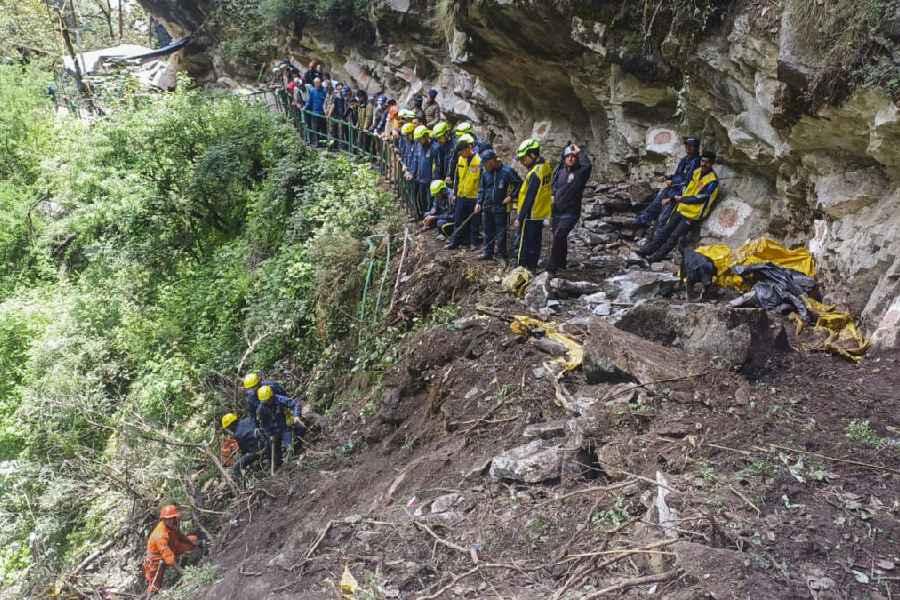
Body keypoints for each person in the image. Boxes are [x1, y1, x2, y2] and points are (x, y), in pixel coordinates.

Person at [637, 151, 720, 262]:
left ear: (712, 163)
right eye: (702, 161)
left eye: (707, 162)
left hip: (692, 215)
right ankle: (646, 250)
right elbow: (685, 186)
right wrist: (672, 196)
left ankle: (655, 258)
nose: (703, 164)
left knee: (674, 237)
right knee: (665, 230)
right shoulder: (696, 172)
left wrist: (681, 199)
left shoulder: (712, 181)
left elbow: (700, 198)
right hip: (681, 208)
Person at [635, 137, 701, 228]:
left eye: (691, 146)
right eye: (687, 145)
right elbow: (678, 174)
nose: (688, 148)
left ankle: (655, 229)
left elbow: (689, 180)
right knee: (657, 201)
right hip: (673, 187)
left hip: (681, 191)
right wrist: (666, 177)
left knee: (665, 213)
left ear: (696, 147)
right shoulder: (685, 159)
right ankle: (642, 220)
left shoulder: (697, 162)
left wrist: (673, 182)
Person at [549, 143, 592, 273]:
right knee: (559, 238)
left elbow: (588, 165)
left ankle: (552, 266)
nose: (571, 158)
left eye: (573, 157)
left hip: (571, 212)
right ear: (564, 158)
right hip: (556, 211)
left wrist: (580, 152)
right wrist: (552, 196)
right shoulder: (559, 171)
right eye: (568, 156)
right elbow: (552, 187)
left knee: (559, 235)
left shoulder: (580, 173)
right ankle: (561, 263)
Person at [474, 148, 522, 260]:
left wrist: (511, 197)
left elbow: (519, 184)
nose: (484, 166)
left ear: (491, 161)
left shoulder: (507, 171)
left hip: (501, 207)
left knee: (501, 232)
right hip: (487, 206)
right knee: (488, 230)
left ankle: (501, 254)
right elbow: (482, 189)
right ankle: (488, 253)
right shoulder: (485, 174)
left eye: (485, 163)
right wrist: (479, 203)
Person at [513, 138, 553, 269]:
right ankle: (532, 267)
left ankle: (522, 268)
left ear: (533, 155)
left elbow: (529, 197)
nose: (523, 162)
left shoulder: (535, 173)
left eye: (524, 159)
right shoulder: (546, 166)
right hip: (540, 213)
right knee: (535, 243)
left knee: (525, 244)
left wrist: (520, 217)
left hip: (530, 214)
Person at [144, 505, 198, 595]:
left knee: (194, 539)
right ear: (163, 520)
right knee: (154, 586)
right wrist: (184, 573)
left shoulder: (173, 525)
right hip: (156, 560)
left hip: (173, 547)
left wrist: (193, 544)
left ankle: (192, 556)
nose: (172, 520)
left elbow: (180, 535)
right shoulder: (160, 534)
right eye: (169, 518)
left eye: (173, 517)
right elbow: (168, 556)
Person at [255, 385, 304, 470]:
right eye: (266, 401)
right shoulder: (261, 410)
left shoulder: (279, 399)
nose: (268, 402)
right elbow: (263, 425)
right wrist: (269, 435)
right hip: (273, 432)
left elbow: (295, 403)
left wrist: (296, 416)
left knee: (290, 449)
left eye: (269, 400)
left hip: (285, 428)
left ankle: (292, 463)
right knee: (276, 456)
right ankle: (277, 468)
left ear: (272, 396)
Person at [446, 134, 481, 250]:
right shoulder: (461, 159)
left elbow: (482, 183)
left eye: (462, 152)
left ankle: (473, 243)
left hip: (474, 196)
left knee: (474, 222)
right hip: (461, 195)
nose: (461, 155)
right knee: (458, 220)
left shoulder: (478, 161)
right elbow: (457, 178)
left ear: (467, 149)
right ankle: (455, 242)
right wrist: (455, 194)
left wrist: (479, 201)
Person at [220, 413, 267, 480]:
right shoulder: (247, 420)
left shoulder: (238, 434)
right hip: (266, 441)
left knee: (236, 467)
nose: (229, 430)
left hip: (258, 450)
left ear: (231, 426)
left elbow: (244, 450)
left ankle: (241, 484)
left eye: (228, 428)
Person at [406, 125, 434, 218]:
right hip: (420, 178)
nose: (419, 142)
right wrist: (412, 173)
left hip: (430, 180)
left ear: (426, 136)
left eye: (420, 139)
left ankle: (429, 217)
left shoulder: (434, 147)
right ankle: (422, 216)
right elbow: (415, 160)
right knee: (421, 199)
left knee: (430, 200)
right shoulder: (419, 146)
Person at [304, 77, 327, 146]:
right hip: (315, 113)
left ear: (320, 83)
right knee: (315, 129)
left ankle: (324, 143)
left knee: (323, 130)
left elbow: (326, 101)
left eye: (318, 83)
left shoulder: (324, 91)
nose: (317, 84)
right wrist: (305, 108)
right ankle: (317, 143)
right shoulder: (312, 91)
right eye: (316, 83)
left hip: (322, 113)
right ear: (314, 83)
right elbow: (309, 101)